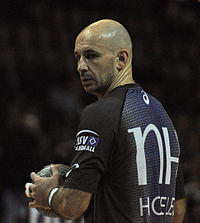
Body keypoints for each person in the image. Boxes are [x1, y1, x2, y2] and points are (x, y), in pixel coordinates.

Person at [25, 19, 186, 223]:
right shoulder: (161, 114)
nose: (80, 66)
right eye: (78, 57)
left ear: (121, 59)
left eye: (91, 56)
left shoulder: (100, 113)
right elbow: (177, 212)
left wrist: (48, 194)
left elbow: (72, 205)